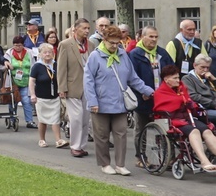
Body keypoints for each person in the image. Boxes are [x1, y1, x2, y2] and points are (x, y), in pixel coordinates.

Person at [84, 25, 154, 176]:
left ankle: (120, 164)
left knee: (121, 134)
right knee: (102, 136)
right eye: (112, 43)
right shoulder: (95, 57)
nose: (115, 46)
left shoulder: (123, 55)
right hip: (100, 104)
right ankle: (105, 163)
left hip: (119, 103)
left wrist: (149, 91)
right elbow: (88, 81)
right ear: (104, 40)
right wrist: (93, 101)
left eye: (117, 43)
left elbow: (133, 78)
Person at [154, 64, 216, 172]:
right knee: (194, 131)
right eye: (175, 78)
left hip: (188, 118)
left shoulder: (182, 88)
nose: (178, 80)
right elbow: (162, 109)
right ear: (166, 79)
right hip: (174, 121)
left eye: (178, 77)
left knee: (207, 131)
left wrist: (191, 104)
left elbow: (189, 102)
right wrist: (181, 102)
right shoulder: (160, 92)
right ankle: (204, 161)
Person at [129, 25, 174, 166]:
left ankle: (168, 158)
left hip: (161, 98)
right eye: (151, 36)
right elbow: (131, 77)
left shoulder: (162, 53)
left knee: (166, 128)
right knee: (141, 129)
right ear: (143, 37)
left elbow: (171, 72)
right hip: (143, 98)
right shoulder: (135, 54)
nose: (154, 40)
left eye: (156, 37)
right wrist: (141, 92)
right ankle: (141, 157)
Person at [57, 18, 92, 158]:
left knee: (85, 118)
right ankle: (75, 146)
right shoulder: (65, 44)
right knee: (76, 118)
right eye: (84, 28)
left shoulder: (92, 45)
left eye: (88, 28)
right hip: (73, 85)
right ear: (75, 29)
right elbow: (61, 68)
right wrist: (62, 87)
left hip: (88, 86)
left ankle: (82, 145)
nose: (87, 31)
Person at [29, 43, 68, 148]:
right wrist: (32, 95)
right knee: (42, 120)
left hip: (55, 97)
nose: (47, 54)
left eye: (50, 52)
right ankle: (42, 139)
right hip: (41, 98)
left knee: (56, 119)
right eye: (45, 52)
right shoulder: (37, 66)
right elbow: (32, 81)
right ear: (40, 54)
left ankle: (58, 140)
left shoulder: (56, 65)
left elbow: (62, 78)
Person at [7, 36, 37, 128]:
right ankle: (12, 119)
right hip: (13, 82)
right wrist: (7, 66)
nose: (17, 47)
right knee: (13, 101)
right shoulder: (9, 53)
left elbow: (33, 65)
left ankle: (29, 121)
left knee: (26, 101)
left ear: (23, 45)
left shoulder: (29, 52)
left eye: (19, 45)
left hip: (26, 80)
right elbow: (2, 65)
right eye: (15, 45)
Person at [182, 54, 216, 120]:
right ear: (195, 65)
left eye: (207, 67)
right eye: (202, 67)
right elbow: (193, 96)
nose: (205, 70)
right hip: (203, 109)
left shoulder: (209, 77)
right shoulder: (187, 78)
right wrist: (213, 104)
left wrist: (214, 79)